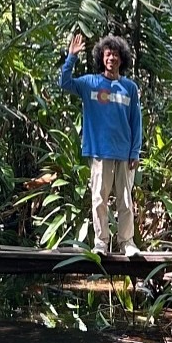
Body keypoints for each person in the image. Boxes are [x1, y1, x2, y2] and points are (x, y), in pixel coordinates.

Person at [59, 31, 143, 256]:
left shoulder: (130, 88)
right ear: (101, 58)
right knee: (99, 199)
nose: (111, 58)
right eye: (108, 54)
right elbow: (64, 82)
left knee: (125, 201)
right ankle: (101, 243)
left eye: (115, 55)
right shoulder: (90, 83)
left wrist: (135, 151)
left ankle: (127, 244)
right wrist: (71, 57)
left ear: (121, 59)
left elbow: (136, 121)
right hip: (99, 151)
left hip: (124, 153)